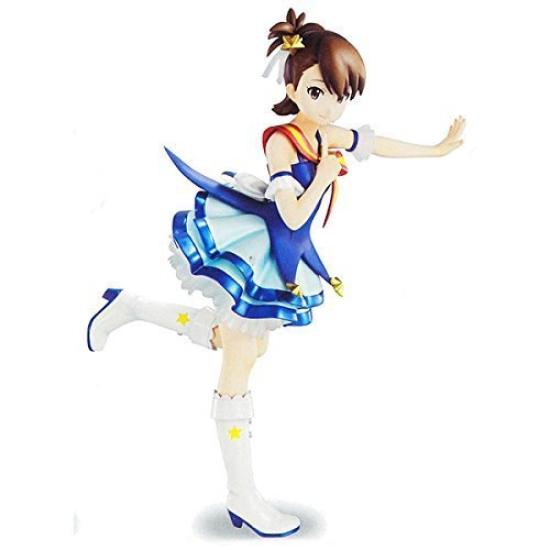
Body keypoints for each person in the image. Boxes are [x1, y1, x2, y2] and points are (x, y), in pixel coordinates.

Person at [87, 8, 465, 537]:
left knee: (236, 341)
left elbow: (375, 144)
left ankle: (130, 306)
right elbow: (290, 213)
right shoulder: (282, 140)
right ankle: (242, 495)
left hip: (285, 255)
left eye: (339, 95)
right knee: (239, 361)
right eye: (317, 92)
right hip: (260, 252)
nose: (329, 105)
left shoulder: (325, 134)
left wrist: (436, 150)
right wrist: (325, 176)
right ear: (293, 88)